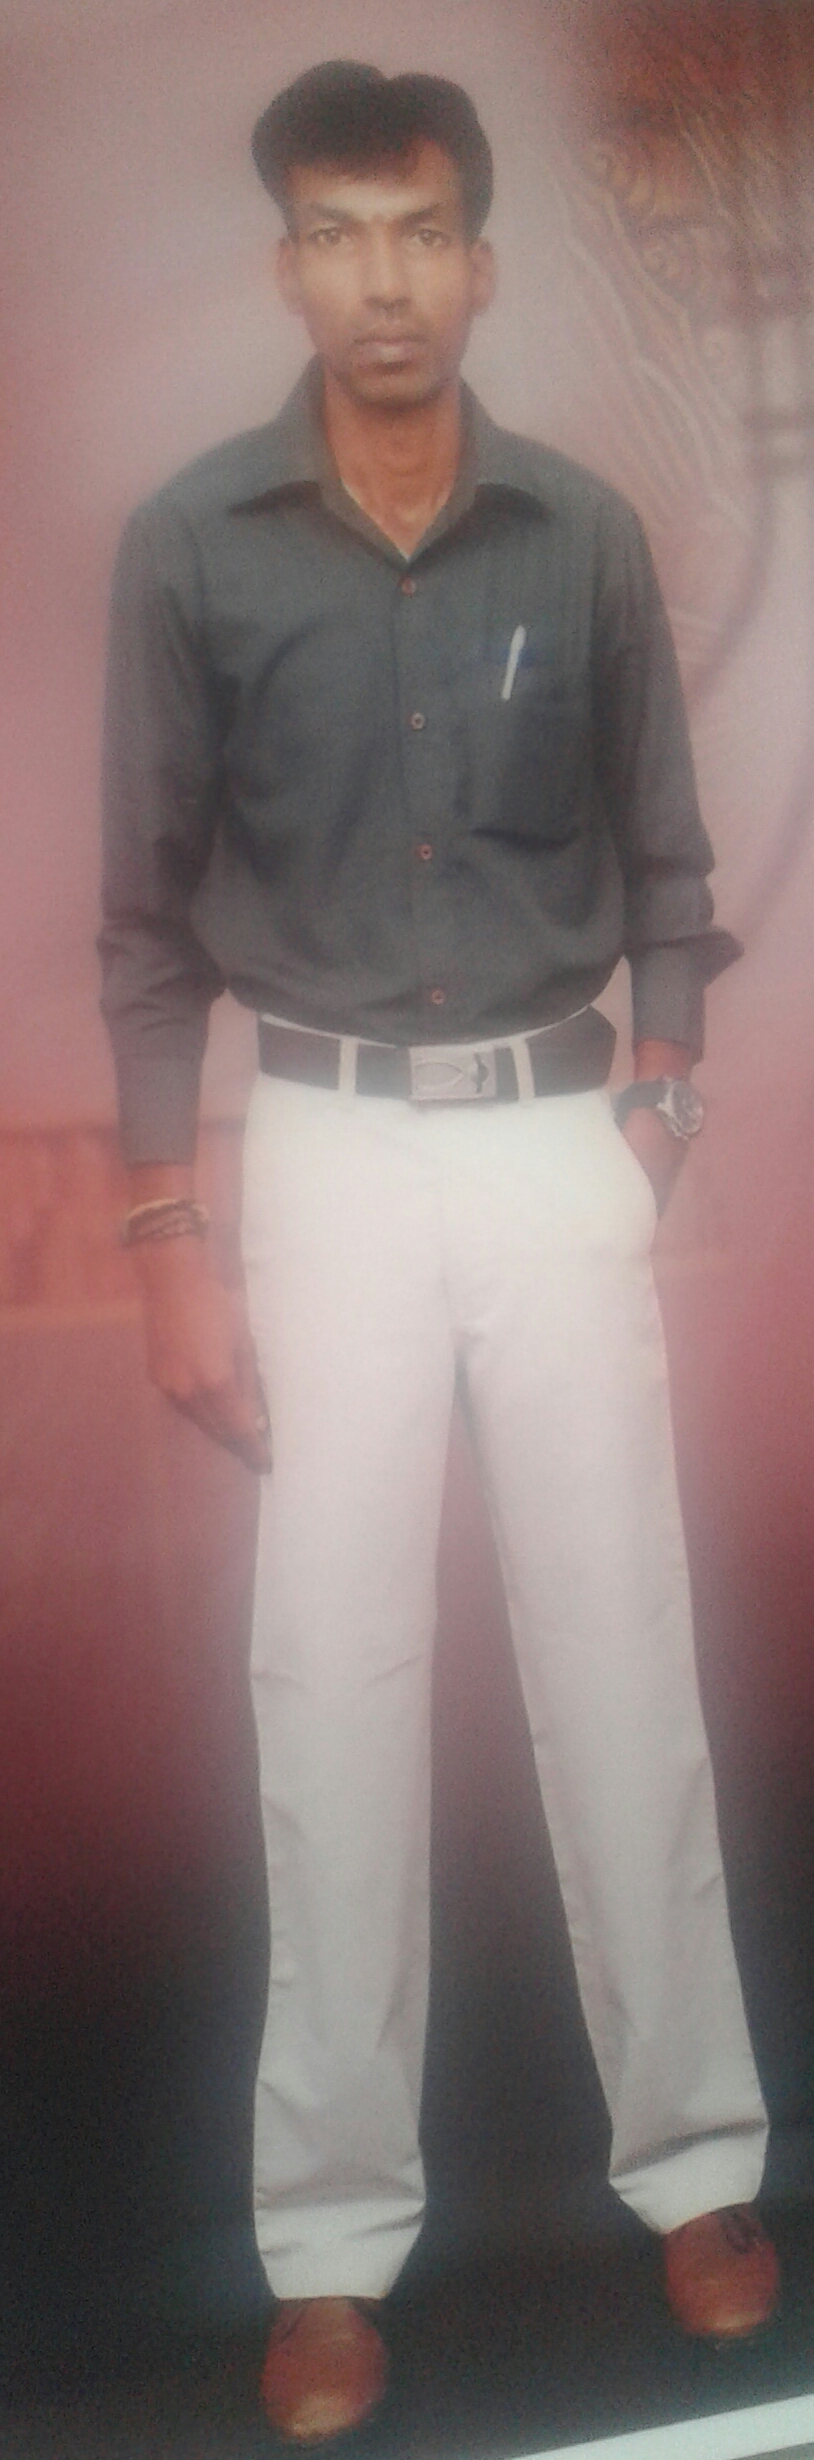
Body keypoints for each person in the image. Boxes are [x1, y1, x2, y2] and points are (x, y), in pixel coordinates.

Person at [99, 60, 779, 2446]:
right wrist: (168, 1232)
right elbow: (140, 926)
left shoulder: (576, 531)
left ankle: (693, 2166)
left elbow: (667, 864)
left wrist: (654, 1100)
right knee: (330, 1693)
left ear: (477, 262)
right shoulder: (191, 545)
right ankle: (325, 2241)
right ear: (285, 262)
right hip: (318, 1156)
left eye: (417, 233)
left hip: (545, 1134)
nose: (379, 278)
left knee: (621, 1667)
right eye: (336, 231)